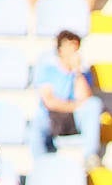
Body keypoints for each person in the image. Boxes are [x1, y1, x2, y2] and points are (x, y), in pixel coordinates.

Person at [31, 30, 104, 170]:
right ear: (60, 49)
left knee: (94, 105)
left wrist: (77, 71)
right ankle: (40, 168)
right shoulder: (48, 70)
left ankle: (90, 156)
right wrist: (74, 105)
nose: (73, 51)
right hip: (53, 117)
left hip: (73, 118)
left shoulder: (83, 73)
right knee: (35, 126)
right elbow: (49, 101)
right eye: (69, 46)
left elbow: (86, 99)